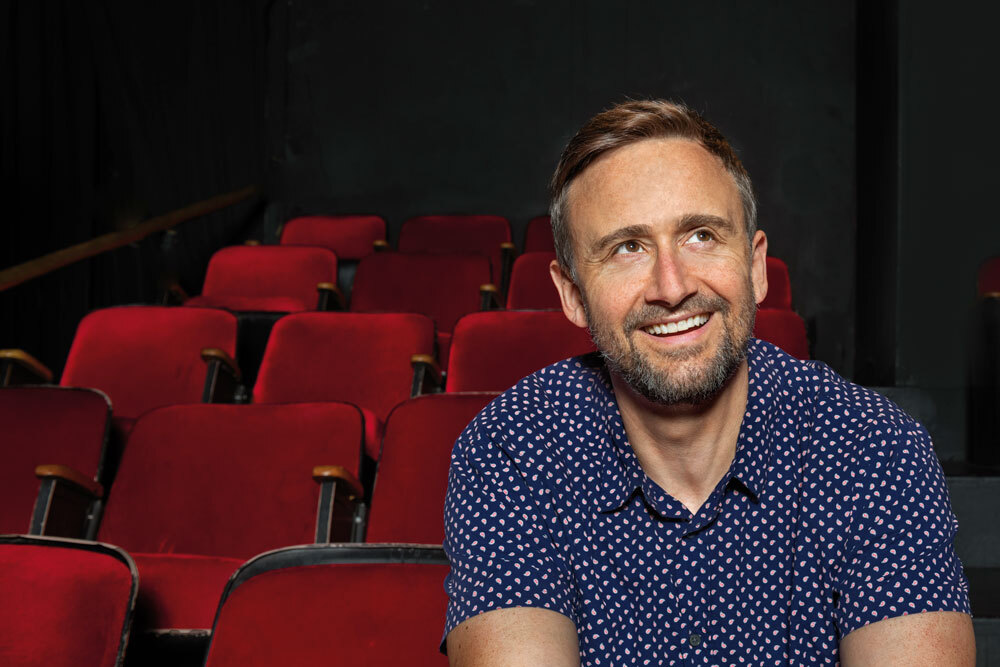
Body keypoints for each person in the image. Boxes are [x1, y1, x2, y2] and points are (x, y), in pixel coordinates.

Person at [441, 100, 975, 665]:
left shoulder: (873, 448)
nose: (672, 287)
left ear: (755, 266)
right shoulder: (513, 450)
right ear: (572, 295)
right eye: (627, 248)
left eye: (700, 235)